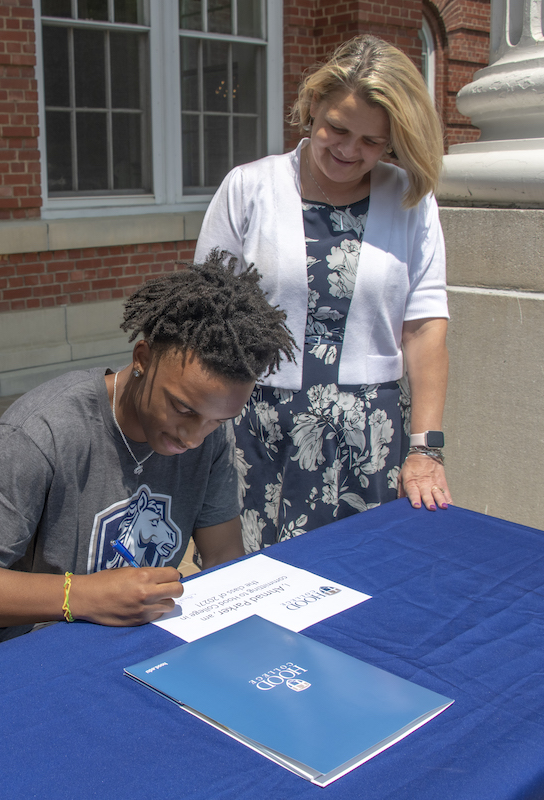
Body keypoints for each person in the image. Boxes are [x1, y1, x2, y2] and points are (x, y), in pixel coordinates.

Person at [0, 256, 295, 653]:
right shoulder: (46, 431)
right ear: (142, 359)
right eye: (183, 409)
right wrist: (83, 596)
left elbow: (223, 555)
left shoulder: (209, 432)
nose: (195, 437)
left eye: (217, 419)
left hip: (136, 644)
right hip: (31, 654)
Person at [194, 35, 452, 552]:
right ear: (313, 105)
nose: (349, 151)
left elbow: (424, 329)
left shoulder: (410, 202)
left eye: (372, 142)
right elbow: (204, 315)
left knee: (363, 580)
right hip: (255, 426)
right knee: (249, 583)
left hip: (370, 437)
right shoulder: (250, 188)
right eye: (337, 128)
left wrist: (427, 449)